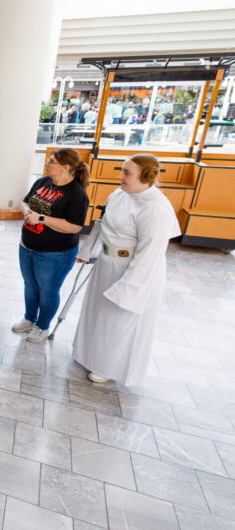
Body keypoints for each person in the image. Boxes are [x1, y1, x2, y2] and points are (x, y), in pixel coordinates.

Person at [72, 154, 180, 386]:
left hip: (131, 270)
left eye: (127, 173)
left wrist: (127, 289)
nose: (120, 176)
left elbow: (150, 254)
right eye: (121, 170)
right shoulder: (118, 195)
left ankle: (108, 366)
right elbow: (102, 225)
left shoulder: (155, 208)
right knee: (96, 312)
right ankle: (88, 355)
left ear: (147, 176)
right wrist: (86, 251)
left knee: (118, 320)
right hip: (106, 263)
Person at [14, 148, 89, 343]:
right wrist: (27, 212)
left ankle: (42, 326)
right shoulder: (42, 182)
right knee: (30, 286)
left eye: (51, 161)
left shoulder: (76, 193)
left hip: (55, 253)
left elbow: (74, 227)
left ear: (65, 168)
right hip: (27, 245)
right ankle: (29, 319)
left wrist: (41, 218)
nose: (46, 163)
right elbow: (25, 202)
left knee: (47, 291)